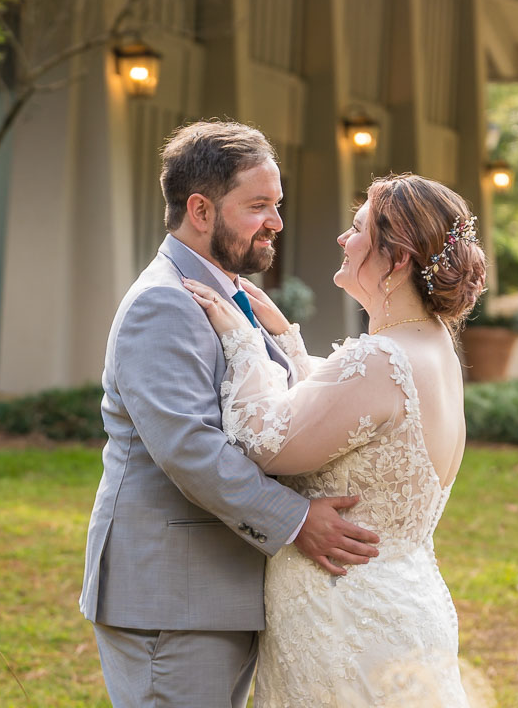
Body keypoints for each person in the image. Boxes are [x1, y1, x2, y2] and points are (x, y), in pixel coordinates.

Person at [79, 120, 380, 708]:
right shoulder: (164, 302)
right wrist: (297, 519)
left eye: (278, 204)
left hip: (215, 587)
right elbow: (189, 448)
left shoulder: (229, 294)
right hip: (171, 599)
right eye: (258, 206)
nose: (277, 222)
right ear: (200, 209)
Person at [183, 173, 486, 707]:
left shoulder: (381, 359)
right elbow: (346, 418)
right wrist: (284, 340)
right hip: (402, 602)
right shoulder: (433, 346)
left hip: (346, 621)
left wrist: (242, 340)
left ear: (396, 259)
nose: (344, 239)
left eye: (358, 228)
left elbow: (264, 439)